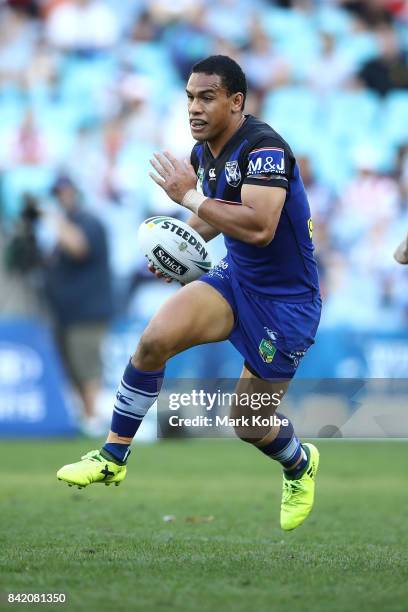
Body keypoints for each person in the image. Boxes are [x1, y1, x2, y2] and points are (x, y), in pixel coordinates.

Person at [57, 56, 322, 531]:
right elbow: (212, 216)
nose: (193, 108)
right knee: (154, 340)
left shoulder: (266, 149)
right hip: (235, 281)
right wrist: (180, 244)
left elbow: (260, 227)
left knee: (248, 422)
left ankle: (299, 465)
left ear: (236, 101)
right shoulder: (204, 153)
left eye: (206, 97)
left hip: (286, 305)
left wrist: (189, 199)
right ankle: (112, 455)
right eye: (189, 98)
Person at [43, 176, 114, 435]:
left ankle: (93, 418)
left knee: (87, 364)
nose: (61, 197)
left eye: (64, 192)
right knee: (71, 367)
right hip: (65, 312)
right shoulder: (63, 226)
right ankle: (85, 416)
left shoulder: (88, 221)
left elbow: (79, 248)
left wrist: (53, 219)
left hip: (88, 311)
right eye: (57, 193)